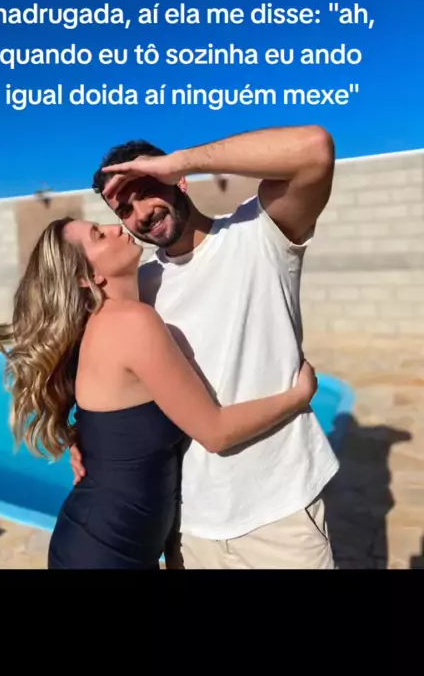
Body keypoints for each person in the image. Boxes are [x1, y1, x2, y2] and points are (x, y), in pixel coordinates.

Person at [70, 125, 340, 569]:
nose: (140, 214)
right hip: (189, 527)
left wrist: (180, 160)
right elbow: (100, 367)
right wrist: (84, 437)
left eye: (146, 191)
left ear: (177, 179)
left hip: (280, 516)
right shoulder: (139, 287)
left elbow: (315, 149)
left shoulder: (259, 233)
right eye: (124, 209)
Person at [0, 216, 319, 570]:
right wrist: (297, 396)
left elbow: (114, 419)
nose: (117, 228)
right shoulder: (131, 321)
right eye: (99, 235)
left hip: (114, 543)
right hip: (104, 551)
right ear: (88, 277)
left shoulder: (107, 324)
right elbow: (215, 431)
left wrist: (82, 438)